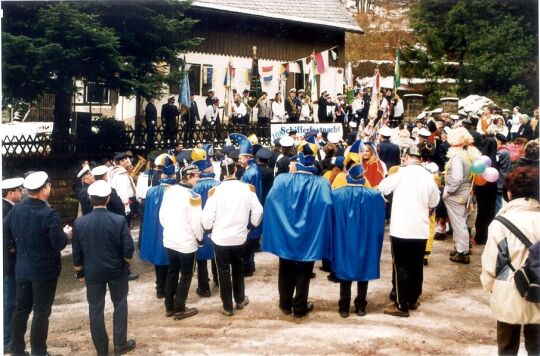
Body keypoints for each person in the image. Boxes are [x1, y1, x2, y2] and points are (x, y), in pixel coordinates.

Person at [263, 138, 333, 317]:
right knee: (304, 269)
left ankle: (285, 304)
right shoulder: (322, 183)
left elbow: (271, 200)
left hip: (286, 233)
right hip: (309, 234)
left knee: (285, 267)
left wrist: (282, 222)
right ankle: (299, 306)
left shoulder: (282, 180)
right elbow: (326, 204)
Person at [3, 171, 72, 355]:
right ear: (44, 189)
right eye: (49, 186)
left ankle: (17, 349)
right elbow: (58, 244)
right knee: (41, 312)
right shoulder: (49, 214)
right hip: (44, 271)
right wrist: (66, 234)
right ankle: (38, 351)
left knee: (21, 309)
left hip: (22, 268)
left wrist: (15, 248)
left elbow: (5, 229)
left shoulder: (16, 209)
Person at [72, 180, 136, 356]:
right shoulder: (119, 220)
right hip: (116, 270)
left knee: (95, 309)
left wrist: (80, 272)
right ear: (108, 199)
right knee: (120, 305)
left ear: (90, 199)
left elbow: (76, 252)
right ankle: (120, 345)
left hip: (92, 271)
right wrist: (126, 262)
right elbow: (128, 248)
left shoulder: (79, 223)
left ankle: (101, 350)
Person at [481, 167, 540, 355]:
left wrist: (490, 286)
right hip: (538, 289)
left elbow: (492, 262)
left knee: (507, 347)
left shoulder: (500, 223)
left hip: (508, 290)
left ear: (509, 192)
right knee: (537, 346)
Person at [378, 147, 440, 317]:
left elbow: (382, 188)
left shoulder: (400, 174)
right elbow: (434, 201)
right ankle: (412, 298)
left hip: (401, 228)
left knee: (401, 267)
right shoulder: (429, 177)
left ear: (406, 157)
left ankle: (401, 304)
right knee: (416, 266)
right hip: (420, 229)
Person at [202, 158, 263, 316]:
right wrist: (250, 227)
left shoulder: (215, 191)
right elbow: (258, 212)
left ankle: (227, 307)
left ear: (221, 172)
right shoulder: (247, 189)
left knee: (223, 272)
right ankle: (240, 299)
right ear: (235, 170)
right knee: (238, 268)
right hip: (239, 237)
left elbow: (206, 218)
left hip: (220, 238)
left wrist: (209, 231)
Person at [331, 163, 385, 317]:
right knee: (364, 268)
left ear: (348, 175)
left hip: (344, 238)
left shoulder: (336, 195)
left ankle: (344, 306)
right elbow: (380, 222)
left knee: (344, 270)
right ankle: (361, 305)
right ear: (363, 176)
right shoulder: (374, 196)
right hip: (365, 238)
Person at [160, 164, 203, 319]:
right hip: (186, 243)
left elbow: (162, 217)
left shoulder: (169, 191)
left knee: (172, 272)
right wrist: (200, 239)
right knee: (186, 275)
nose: (198, 178)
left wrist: (172, 230)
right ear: (188, 177)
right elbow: (196, 223)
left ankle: (169, 307)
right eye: (196, 176)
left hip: (170, 240)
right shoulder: (193, 196)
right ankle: (179, 308)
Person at [140, 155, 177, 299]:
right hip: (171, 229)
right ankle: (169, 289)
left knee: (158, 260)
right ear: (174, 175)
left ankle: (160, 288)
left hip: (155, 230)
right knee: (172, 262)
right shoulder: (176, 191)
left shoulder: (151, 191)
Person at [443, 127, 481, 264]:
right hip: (466, 193)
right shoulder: (468, 155)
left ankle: (462, 252)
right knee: (462, 223)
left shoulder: (458, 157)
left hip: (457, 194)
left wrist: (449, 191)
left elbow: (457, 178)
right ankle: (460, 248)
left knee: (459, 224)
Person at [192, 146, 220, 297]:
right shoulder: (218, 184)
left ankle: (204, 288)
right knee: (217, 253)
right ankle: (218, 280)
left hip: (199, 225)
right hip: (216, 224)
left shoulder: (194, 187)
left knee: (201, 256)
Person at [2, 177, 24, 353]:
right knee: (10, 302)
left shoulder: (9, 208)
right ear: (10, 193)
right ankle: (7, 340)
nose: (21, 192)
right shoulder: (5, 210)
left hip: (11, 262)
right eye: (19, 190)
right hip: (10, 264)